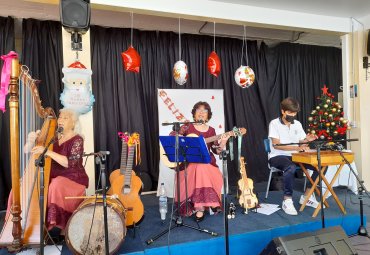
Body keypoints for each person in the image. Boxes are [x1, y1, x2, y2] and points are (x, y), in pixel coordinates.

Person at [30, 108, 88, 235]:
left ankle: (62, 225)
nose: (61, 120)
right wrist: (31, 141)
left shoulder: (77, 139)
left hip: (73, 179)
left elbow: (69, 163)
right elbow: (28, 152)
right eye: (60, 117)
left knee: (56, 184)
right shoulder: (52, 138)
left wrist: (47, 151)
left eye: (65, 118)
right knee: (27, 185)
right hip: (54, 178)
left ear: (73, 123)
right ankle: (28, 226)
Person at [170, 101, 229, 222]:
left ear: (208, 115)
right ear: (194, 114)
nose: (201, 113)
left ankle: (201, 207)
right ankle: (206, 204)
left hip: (207, 164)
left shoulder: (211, 130)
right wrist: (178, 136)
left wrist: (223, 141)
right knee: (199, 166)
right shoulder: (187, 127)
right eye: (198, 110)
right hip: (189, 165)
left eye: (205, 111)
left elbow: (216, 151)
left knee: (202, 166)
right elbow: (173, 139)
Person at [268, 97, 318, 216]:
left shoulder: (298, 124)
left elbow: (302, 143)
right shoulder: (274, 123)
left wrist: (307, 140)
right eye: (289, 112)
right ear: (283, 111)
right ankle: (287, 200)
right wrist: (297, 148)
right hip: (277, 156)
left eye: (294, 113)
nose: (292, 115)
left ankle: (307, 196)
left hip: (296, 156)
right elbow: (277, 145)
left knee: (320, 165)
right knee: (289, 167)